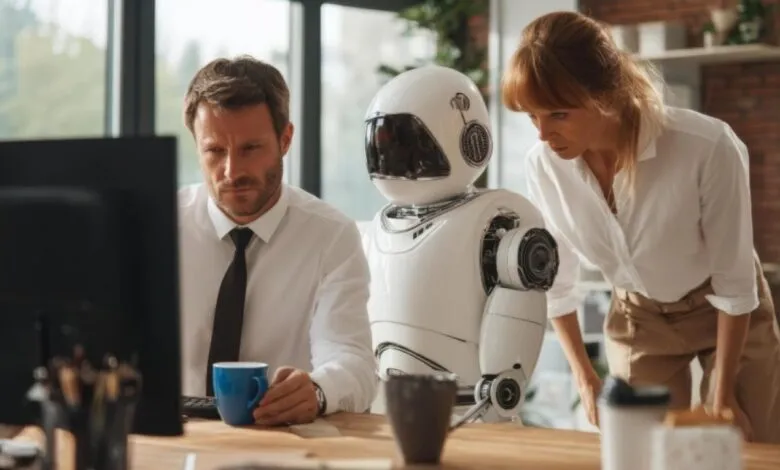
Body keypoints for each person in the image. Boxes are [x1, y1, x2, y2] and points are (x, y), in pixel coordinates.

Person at [501, 11, 780, 443]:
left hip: (727, 312)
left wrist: (722, 398)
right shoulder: (544, 166)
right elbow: (557, 280)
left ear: (605, 94)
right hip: (640, 316)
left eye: (557, 114)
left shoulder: (707, 147)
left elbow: (735, 284)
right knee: (640, 448)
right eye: (531, 117)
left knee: (745, 445)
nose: (542, 135)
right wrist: (585, 376)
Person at [177, 55, 377, 426]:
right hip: (173, 443)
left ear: (285, 139)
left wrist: (318, 390)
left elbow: (355, 362)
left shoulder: (331, 236)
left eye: (250, 149)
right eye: (215, 151)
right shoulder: (165, 226)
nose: (232, 171)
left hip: (282, 443)